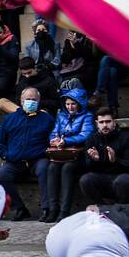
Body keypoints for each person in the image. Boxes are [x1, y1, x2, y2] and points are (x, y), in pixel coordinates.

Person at [0, 87, 55, 221]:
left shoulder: (47, 119)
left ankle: (46, 208)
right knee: (2, 174)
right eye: (28, 99)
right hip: (15, 161)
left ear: (39, 101)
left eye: (34, 100)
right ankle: (19, 209)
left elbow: (54, 138)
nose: (31, 102)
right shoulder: (9, 119)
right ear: (21, 101)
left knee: (45, 169)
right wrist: (6, 155)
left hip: (38, 159)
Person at [45, 87, 93, 221]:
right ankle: (53, 209)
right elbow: (54, 131)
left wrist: (66, 141)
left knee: (68, 169)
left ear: (80, 104)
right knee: (52, 168)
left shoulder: (87, 116)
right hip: (62, 152)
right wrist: (54, 140)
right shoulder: (61, 115)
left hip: (79, 154)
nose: (70, 107)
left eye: (73, 104)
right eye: (67, 104)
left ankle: (64, 210)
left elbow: (85, 135)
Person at [77, 107, 129, 204]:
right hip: (101, 177)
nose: (105, 125)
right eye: (101, 122)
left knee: (124, 180)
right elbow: (87, 167)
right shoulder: (92, 139)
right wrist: (95, 160)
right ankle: (102, 206)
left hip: (120, 175)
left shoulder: (126, 138)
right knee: (85, 180)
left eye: (108, 121)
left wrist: (114, 160)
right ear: (97, 123)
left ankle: (121, 208)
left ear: (114, 122)